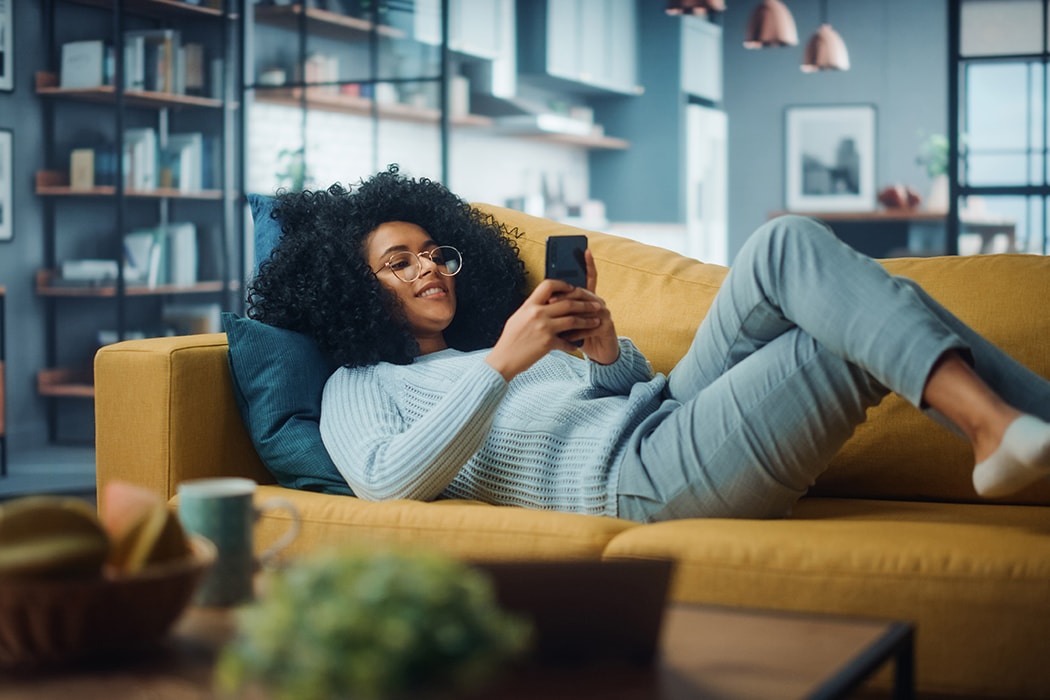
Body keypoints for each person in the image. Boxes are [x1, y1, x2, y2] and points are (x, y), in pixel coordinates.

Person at [248, 165, 1050, 522]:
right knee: (839, 344)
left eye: (435, 252)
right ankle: (997, 425)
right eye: (399, 262)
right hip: (638, 477)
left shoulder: (497, 341)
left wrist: (604, 353)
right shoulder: (361, 388)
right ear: (353, 290)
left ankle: (1007, 430)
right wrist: (504, 362)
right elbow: (388, 484)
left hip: (663, 411)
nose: (429, 267)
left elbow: (620, 393)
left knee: (785, 245)